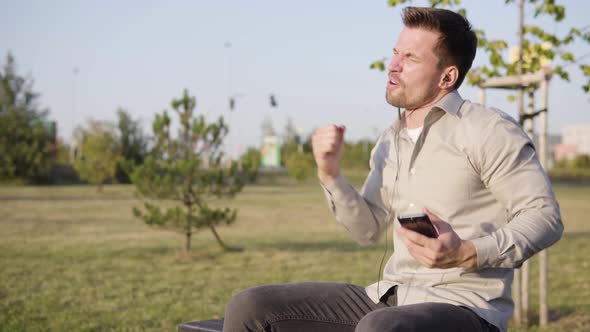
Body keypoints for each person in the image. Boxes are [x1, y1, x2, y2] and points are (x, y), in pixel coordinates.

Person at [223, 7, 563, 332]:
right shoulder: (390, 139)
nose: (393, 66)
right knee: (250, 306)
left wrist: (468, 252)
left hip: (465, 308)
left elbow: (544, 216)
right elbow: (367, 229)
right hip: (388, 297)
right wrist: (330, 173)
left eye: (410, 58)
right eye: (396, 53)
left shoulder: (487, 130)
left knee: (381, 327)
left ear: (448, 76)